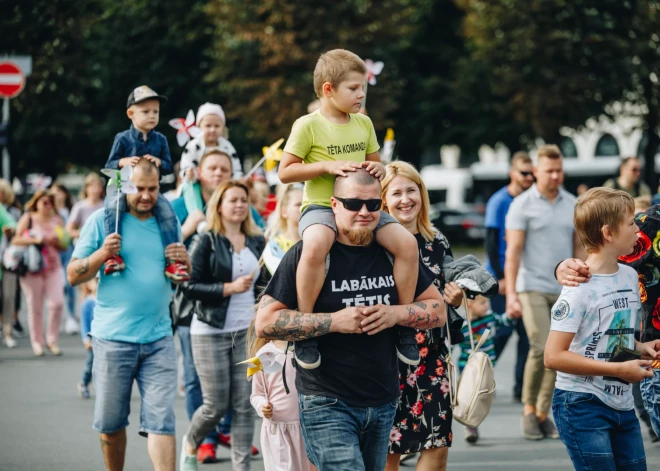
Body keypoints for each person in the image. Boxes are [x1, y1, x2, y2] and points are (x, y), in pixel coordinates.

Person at [255, 169, 446, 471]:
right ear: (333, 204)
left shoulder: (392, 252)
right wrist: (333, 321)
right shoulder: (311, 253)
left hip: (383, 397)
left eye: (373, 205)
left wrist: (395, 313)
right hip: (326, 400)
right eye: (353, 204)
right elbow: (265, 321)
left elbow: (438, 310)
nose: (364, 212)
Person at [278, 48, 420, 370]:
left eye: (363, 89)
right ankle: (306, 329)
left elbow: (375, 163)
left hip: (365, 208)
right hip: (320, 207)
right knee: (315, 245)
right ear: (329, 89)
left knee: (407, 244)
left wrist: (380, 170)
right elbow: (285, 172)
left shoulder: (364, 123)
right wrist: (328, 166)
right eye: (354, 88)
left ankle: (403, 326)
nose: (361, 95)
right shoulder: (307, 125)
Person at [67, 158, 189, 471]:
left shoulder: (167, 221)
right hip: (112, 339)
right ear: (124, 186)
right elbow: (73, 275)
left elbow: (179, 272)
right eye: (138, 189)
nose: (146, 196)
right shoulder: (102, 221)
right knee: (110, 422)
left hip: (159, 336)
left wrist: (183, 262)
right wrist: (102, 253)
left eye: (153, 189)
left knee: (162, 420)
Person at [545, 187, 658, 470]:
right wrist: (620, 370)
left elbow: (613, 338)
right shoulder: (578, 289)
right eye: (631, 223)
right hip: (581, 404)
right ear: (608, 233)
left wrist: (640, 348)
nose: (637, 230)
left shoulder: (630, 275)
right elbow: (553, 356)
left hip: (621, 405)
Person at [172, 149, 253, 463]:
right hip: (209, 331)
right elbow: (188, 285)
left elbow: (265, 285)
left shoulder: (257, 241)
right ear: (219, 205)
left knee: (244, 405)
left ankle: (241, 466)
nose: (239, 205)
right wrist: (227, 289)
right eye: (232, 200)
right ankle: (191, 441)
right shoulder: (206, 240)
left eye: (243, 200)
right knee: (215, 405)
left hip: (245, 333)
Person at [381, 161, 458, 471]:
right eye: (396, 192)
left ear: (422, 195)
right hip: (387, 356)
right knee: (389, 448)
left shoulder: (437, 241)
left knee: (438, 442)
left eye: (411, 190)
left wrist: (454, 298)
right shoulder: (376, 244)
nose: (405, 199)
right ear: (384, 199)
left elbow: (450, 289)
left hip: (432, 355)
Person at [504, 144, 584, 440]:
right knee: (540, 347)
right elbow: (513, 253)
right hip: (531, 286)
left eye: (559, 170)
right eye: (549, 171)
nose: (555, 176)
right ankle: (528, 410)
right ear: (536, 171)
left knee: (560, 352)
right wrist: (511, 295)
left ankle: (541, 412)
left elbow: (578, 249)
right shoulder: (521, 205)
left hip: (565, 287)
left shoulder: (572, 203)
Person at [103, 85, 188, 283]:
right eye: (146, 111)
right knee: (112, 207)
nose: (152, 116)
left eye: (155, 112)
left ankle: (172, 260)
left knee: (168, 213)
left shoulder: (160, 139)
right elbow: (110, 164)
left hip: (151, 192)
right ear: (131, 114)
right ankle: (113, 255)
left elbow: (168, 166)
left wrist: (159, 162)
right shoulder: (122, 138)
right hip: (125, 188)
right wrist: (123, 161)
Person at [484, 151, 533, 402]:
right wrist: (502, 279)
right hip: (501, 276)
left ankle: (520, 389)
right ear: (512, 173)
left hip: (526, 277)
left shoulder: (532, 200)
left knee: (527, 336)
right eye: (524, 173)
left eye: (531, 173)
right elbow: (491, 243)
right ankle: (480, 379)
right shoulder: (499, 200)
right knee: (501, 332)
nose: (529, 177)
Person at [247, 325, 315, 471]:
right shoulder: (264, 355)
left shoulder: (309, 351)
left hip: (309, 428)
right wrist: (262, 406)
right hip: (279, 431)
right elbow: (256, 394)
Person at [13, 190, 69, 356]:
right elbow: (16, 239)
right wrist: (35, 240)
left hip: (53, 268)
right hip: (32, 269)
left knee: (57, 303)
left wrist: (57, 242)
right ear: (36, 202)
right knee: (35, 307)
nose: (47, 205)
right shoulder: (28, 218)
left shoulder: (57, 220)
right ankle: (37, 343)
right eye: (44, 202)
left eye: (50, 202)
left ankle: (52, 341)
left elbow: (64, 245)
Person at [457, 295, 511, 444]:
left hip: (486, 367)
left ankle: (473, 421)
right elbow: (451, 343)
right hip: (467, 368)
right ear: (470, 305)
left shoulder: (489, 318)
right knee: (470, 398)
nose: (487, 305)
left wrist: (511, 315)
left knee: (480, 397)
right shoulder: (462, 325)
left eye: (487, 302)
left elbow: (502, 321)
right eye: (482, 303)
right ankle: (470, 426)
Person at [179, 103, 243, 217]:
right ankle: (197, 215)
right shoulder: (193, 145)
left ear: (223, 127)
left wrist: (237, 179)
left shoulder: (227, 146)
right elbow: (186, 163)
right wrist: (188, 173)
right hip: (196, 182)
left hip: (222, 184)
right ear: (199, 127)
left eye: (217, 126)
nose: (212, 130)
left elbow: (235, 165)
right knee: (190, 189)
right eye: (208, 126)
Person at [51, 182, 78, 334]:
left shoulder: (71, 209)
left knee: (69, 284)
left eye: (59, 192)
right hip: (54, 252)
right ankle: (59, 318)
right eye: (54, 193)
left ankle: (71, 316)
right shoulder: (50, 211)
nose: (57, 196)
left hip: (69, 249)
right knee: (57, 286)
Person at [0, 179, 24, 342]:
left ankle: (8, 331)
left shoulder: (11, 211)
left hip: (8, 259)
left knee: (8, 297)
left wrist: (10, 231)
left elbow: (15, 227)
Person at [262, 184, 303, 276]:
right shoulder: (275, 246)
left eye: (307, 204)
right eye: (299, 204)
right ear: (284, 212)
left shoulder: (318, 241)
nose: (304, 208)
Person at [67, 172, 105, 239]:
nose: (95, 190)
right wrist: (84, 233)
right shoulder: (79, 206)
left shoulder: (106, 206)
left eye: (98, 186)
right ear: (86, 188)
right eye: (92, 186)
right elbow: (69, 230)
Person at [77, 276, 97, 399]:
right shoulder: (88, 303)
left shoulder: (106, 300)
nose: (97, 283)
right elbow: (84, 323)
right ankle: (84, 383)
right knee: (90, 365)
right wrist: (86, 340)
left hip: (105, 340)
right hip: (92, 341)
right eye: (95, 281)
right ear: (87, 285)